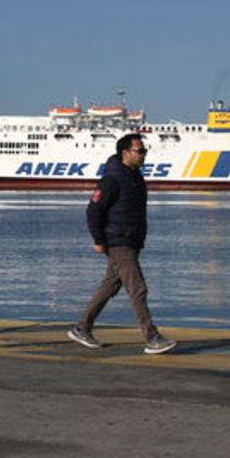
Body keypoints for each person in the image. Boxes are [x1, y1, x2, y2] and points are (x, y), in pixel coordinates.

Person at [68, 133, 178, 354]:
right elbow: (93, 210)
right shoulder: (113, 179)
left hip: (131, 241)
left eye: (144, 150)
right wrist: (98, 240)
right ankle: (151, 338)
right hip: (119, 242)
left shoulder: (135, 177)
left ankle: (82, 327)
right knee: (138, 289)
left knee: (109, 287)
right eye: (140, 151)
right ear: (125, 153)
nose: (144, 154)